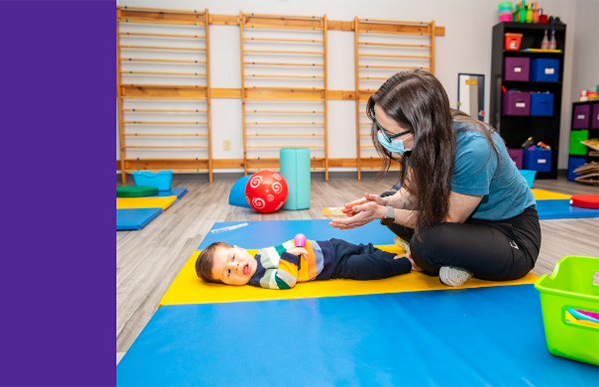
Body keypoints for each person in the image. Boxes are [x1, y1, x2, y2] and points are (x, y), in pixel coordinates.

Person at [330, 70, 540, 287]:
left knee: (426, 245)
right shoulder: (420, 139)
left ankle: (457, 259)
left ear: (420, 127)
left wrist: (386, 212)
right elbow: (410, 193)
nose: (383, 137)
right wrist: (384, 205)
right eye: (380, 127)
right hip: (463, 223)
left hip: (510, 234)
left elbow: (450, 219)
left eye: (390, 134)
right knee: (387, 198)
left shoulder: (475, 148)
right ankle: (455, 255)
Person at [194, 237, 418, 289]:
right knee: (365, 266)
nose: (235, 267)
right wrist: (291, 255)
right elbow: (285, 280)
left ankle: (398, 256)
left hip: (328, 246)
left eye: (232, 258)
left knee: (364, 249)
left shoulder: (261, 253)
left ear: (240, 249)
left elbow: (283, 248)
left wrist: (294, 242)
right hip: (334, 267)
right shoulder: (260, 278)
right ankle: (405, 265)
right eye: (228, 273)